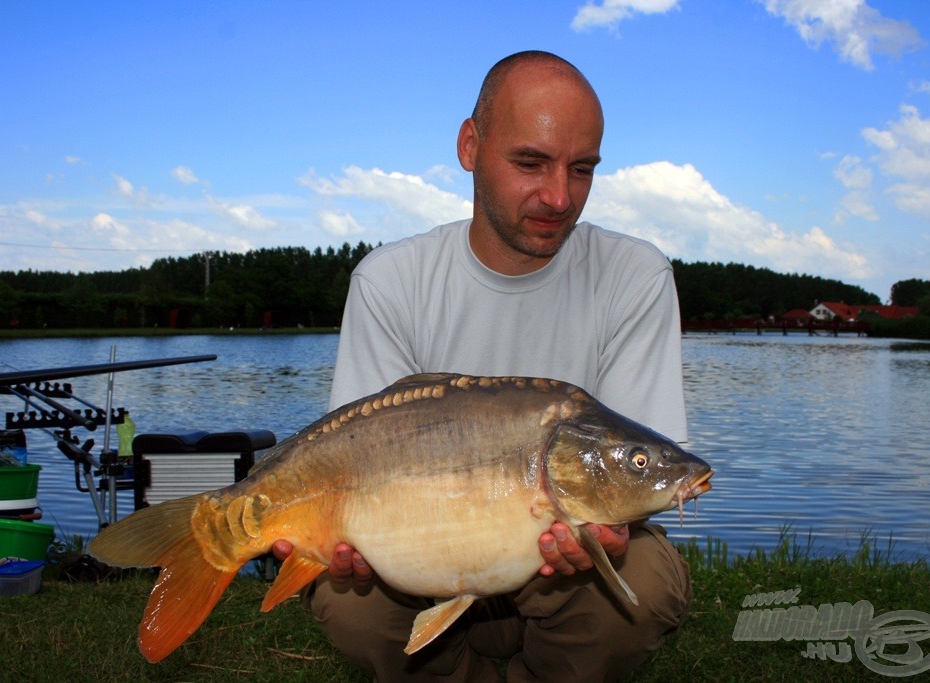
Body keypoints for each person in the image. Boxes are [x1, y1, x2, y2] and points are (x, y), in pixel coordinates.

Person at [274, 50, 691, 681]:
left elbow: (637, 465)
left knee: (646, 582)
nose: (558, 195)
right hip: (419, 553)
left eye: (582, 169)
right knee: (344, 597)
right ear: (471, 146)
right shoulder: (392, 280)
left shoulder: (635, 276)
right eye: (530, 162)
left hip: (563, 564)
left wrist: (605, 531)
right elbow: (349, 458)